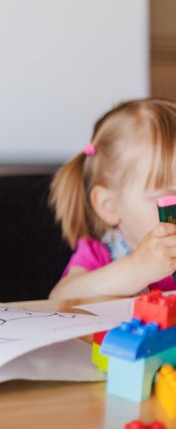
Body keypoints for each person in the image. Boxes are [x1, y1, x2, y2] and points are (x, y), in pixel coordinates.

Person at [49, 98, 176, 299]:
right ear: (109, 206)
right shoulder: (100, 254)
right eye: (170, 201)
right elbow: (60, 298)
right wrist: (138, 268)